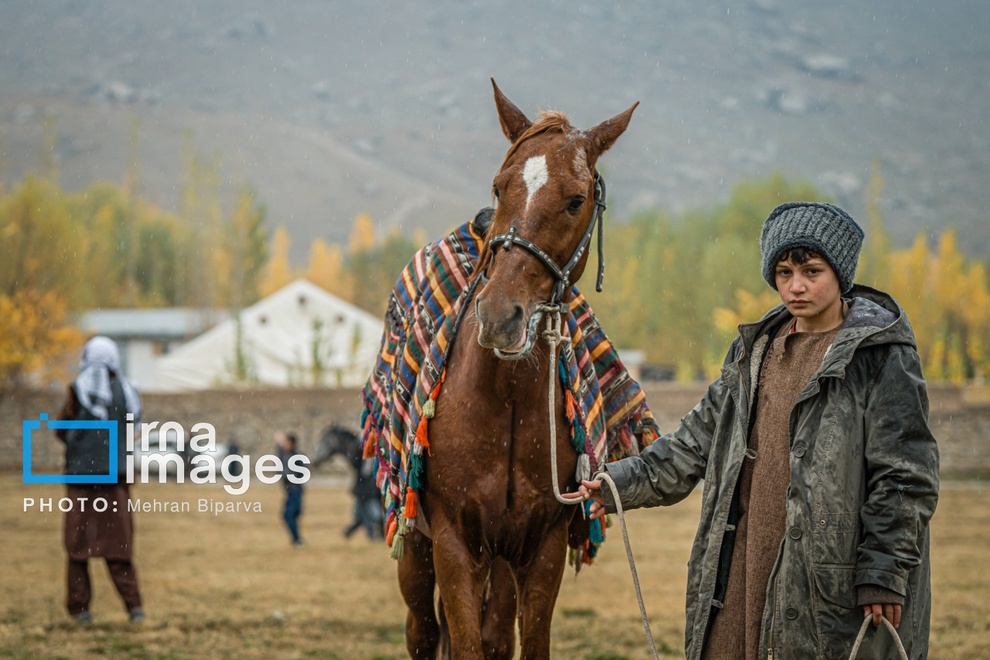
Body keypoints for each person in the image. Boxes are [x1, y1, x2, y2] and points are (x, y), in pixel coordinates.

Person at [566, 202, 939, 659]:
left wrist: (884, 571)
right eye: (783, 272)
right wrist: (616, 483)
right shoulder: (752, 354)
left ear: (840, 273)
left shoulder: (881, 355)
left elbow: (906, 477)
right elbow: (691, 446)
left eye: (811, 271)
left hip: (831, 585)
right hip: (740, 569)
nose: (796, 286)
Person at [55, 336, 145, 624]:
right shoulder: (126, 391)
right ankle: (134, 608)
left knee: (78, 547)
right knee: (118, 546)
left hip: (82, 482)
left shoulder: (78, 391)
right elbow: (133, 423)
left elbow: (61, 429)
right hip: (114, 482)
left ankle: (80, 609)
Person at [274, 431, 305, 546]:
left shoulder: (297, 456)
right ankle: (297, 540)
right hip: (291, 491)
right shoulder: (289, 454)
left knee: (289, 515)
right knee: (289, 516)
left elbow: (292, 472)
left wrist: (284, 473)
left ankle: (297, 540)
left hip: (295, 491)